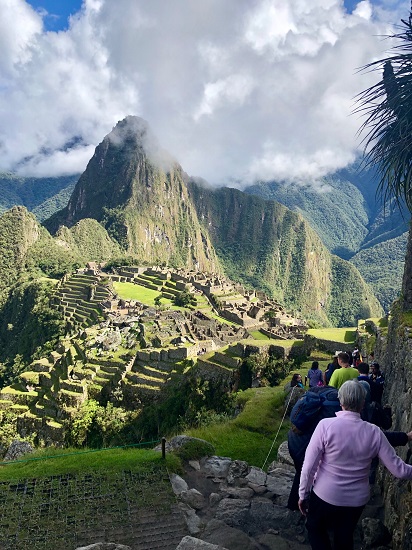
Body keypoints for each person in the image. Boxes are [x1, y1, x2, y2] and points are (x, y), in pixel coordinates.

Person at [298, 380, 412, 550]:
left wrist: (303, 494)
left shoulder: (325, 426)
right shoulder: (375, 432)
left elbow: (309, 466)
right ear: (363, 403)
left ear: (340, 400)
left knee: (315, 529)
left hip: (324, 494)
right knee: (344, 536)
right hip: (355, 500)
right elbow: (400, 470)